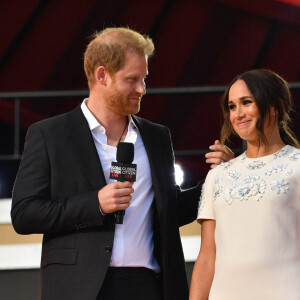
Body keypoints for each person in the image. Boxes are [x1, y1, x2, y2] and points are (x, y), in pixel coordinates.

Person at [11, 27, 233, 300]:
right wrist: (96, 204)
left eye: (144, 79)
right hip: (79, 288)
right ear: (102, 75)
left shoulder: (157, 136)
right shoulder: (50, 134)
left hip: (150, 286)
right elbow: (24, 214)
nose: (142, 89)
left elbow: (170, 209)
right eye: (132, 79)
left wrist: (219, 178)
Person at [189, 69, 300, 300]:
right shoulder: (218, 175)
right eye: (231, 106)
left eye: (246, 102)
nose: (237, 114)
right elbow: (207, 257)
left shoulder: (297, 166)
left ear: (274, 106)